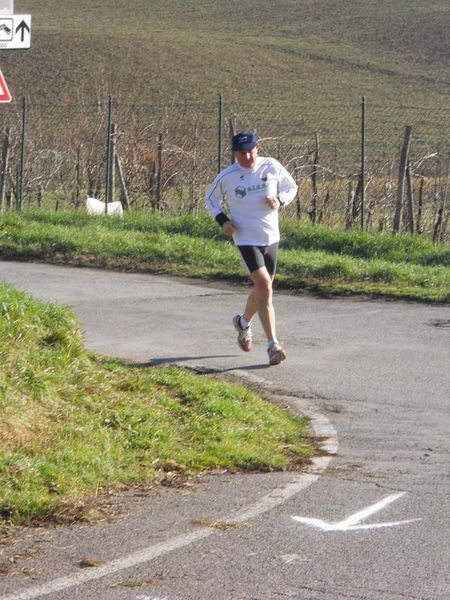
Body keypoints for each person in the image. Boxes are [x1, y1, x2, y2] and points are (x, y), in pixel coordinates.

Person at [204, 131, 298, 365]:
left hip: (271, 236)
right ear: (235, 153)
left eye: (250, 151)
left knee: (263, 290)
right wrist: (223, 221)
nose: (247, 157)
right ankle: (273, 345)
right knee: (265, 286)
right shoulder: (229, 175)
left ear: (258, 148)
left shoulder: (271, 166)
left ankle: (243, 323)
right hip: (245, 237)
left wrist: (280, 200)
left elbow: (292, 187)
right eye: (241, 153)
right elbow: (210, 199)